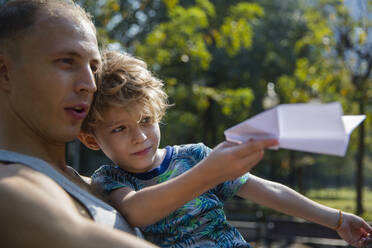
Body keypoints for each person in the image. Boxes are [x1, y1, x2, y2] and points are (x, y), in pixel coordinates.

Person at [0, 1, 277, 247]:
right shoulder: (10, 188)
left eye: (93, 67)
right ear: (5, 73)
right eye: (66, 62)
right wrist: (208, 173)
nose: (89, 84)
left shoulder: (94, 182)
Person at [79, 50, 372, 248]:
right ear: (92, 140)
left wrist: (337, 219)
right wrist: (209, 173)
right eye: (120, 128)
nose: (139, 136)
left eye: (146, 120)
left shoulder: (194, 156)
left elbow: (271, 191)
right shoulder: (111, 180)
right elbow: (135, 212)